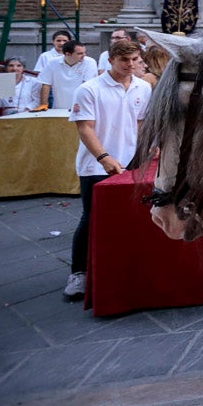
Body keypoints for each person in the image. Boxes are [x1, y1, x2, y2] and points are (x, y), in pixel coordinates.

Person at [63, 39, 152, 301]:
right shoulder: (89, 89)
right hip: (96, 164)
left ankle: (122, 268)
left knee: (130, 217)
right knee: (90, 217)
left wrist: (147, 148)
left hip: (133, 162)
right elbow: (84, 127)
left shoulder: (143, 87)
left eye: (135, 60)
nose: (131, 65)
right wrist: (103, 157)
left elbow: (141, 122)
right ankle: (78, 273)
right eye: (125, 60)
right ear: (111, 60)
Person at [37, 39, 97, 112]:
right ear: (67, 54)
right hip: (58, 109)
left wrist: (82, 107)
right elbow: (46, 84)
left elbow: (88, 86)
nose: (84, 55)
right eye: (80, 53)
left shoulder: (90, 62)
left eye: (84, 52)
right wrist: (43, 105)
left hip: (82, 109)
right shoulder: (52, 63)